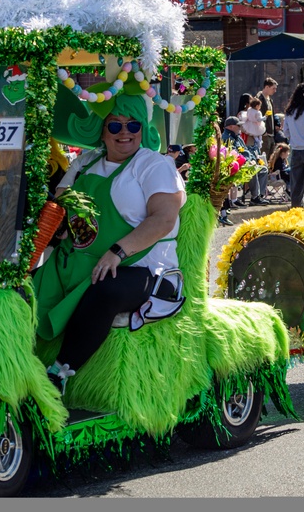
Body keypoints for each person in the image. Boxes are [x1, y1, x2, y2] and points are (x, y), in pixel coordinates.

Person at [34, 94, 186, 394]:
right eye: (115, 126)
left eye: (133, 125)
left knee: (105, 289)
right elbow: (62, 206)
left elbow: (163, 219)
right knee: (24, 287)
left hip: (143, 268)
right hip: (79, 260)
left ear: (143, 129)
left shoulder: (153, 165)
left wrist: (117, 252)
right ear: (101, 131)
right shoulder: (86, 161)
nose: (125, 132)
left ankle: (59, 373)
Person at [223, 115, 266, 207]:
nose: (240, 127)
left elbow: (246, 150)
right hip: (235, 164)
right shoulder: (227, 137)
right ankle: (255, 197)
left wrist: (253, 159)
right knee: (252, 170)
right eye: (238, 125)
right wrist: (248, 161)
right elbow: (233, 153)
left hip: (246, 161)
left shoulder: (238, 137)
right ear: (230, 127)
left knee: (263, 169)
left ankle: (259, 196)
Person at [256, 77, 279, 163]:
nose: (275, 91)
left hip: (271, 134)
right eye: (273, 88)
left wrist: (277, 123)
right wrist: (263, 132)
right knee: (263, 158)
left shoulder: (270, 100)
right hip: (264, 135)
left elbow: (272, 115)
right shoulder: (259, 100)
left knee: (270, 159)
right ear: (266, 87)